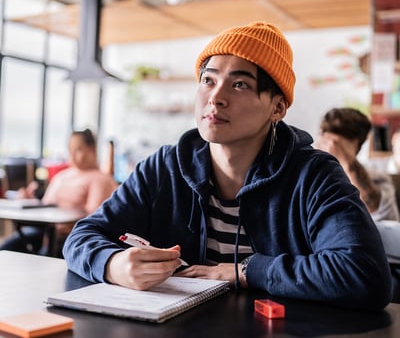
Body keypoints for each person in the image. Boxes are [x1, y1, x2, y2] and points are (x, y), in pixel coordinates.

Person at [63, 21, 392, 310]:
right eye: (208, 80)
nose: (215, 98)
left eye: (239, 84)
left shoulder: (314, 174)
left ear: (277, 108)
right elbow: (82, 236)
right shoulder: (164, 167)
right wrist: (113, 264)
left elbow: (365, 276)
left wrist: (246, 271)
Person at [0, 128, 118, 256]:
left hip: (71, 239)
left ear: (92, 150)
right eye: (70, 150)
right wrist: (28, 199)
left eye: (78, 150)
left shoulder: (100, 180)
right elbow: (46, 204)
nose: (72, 155)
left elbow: (93, 218)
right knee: (6, 249)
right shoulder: (62, 176)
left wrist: (66, 226)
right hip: (46, 232)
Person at [315, 107, 399, 222]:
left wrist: (347, 161)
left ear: (355, 144)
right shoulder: (309, 175)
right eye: (323, 137)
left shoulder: (377, 178)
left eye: (335, 142)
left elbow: (383, 218)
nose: (326, 145)